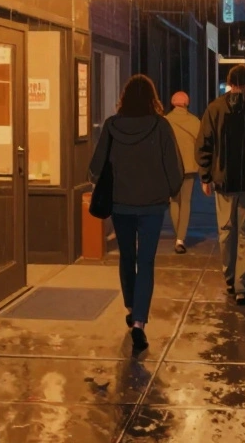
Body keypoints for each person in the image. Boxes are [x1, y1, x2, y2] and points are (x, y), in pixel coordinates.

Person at [89, 74, 184, 352]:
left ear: (125, 98)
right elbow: (174, 167)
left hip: (120, 203)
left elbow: (96, 165)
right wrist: (171, 189)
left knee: (127, 257)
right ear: (152, 99)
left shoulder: (111, 125)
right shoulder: (160, 126)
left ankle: (131, 306)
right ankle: (140, 322)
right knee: (147, 261)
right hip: (153, 205)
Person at [196, 64, 245, 306]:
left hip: (223, 182)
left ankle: (228, 277)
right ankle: (242, 286)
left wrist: (205, 175)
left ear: (229, 82)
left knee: (226, 232)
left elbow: (204, 143)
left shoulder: (215, 109)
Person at [165, 91, 201, 253]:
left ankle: (177, 234)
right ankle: (180, 238)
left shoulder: (165, 121)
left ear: (173, 103)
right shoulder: (195, 121)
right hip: (189, 168)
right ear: (187, 103)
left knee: (174, 201)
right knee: (186, 202)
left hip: (171, 168)